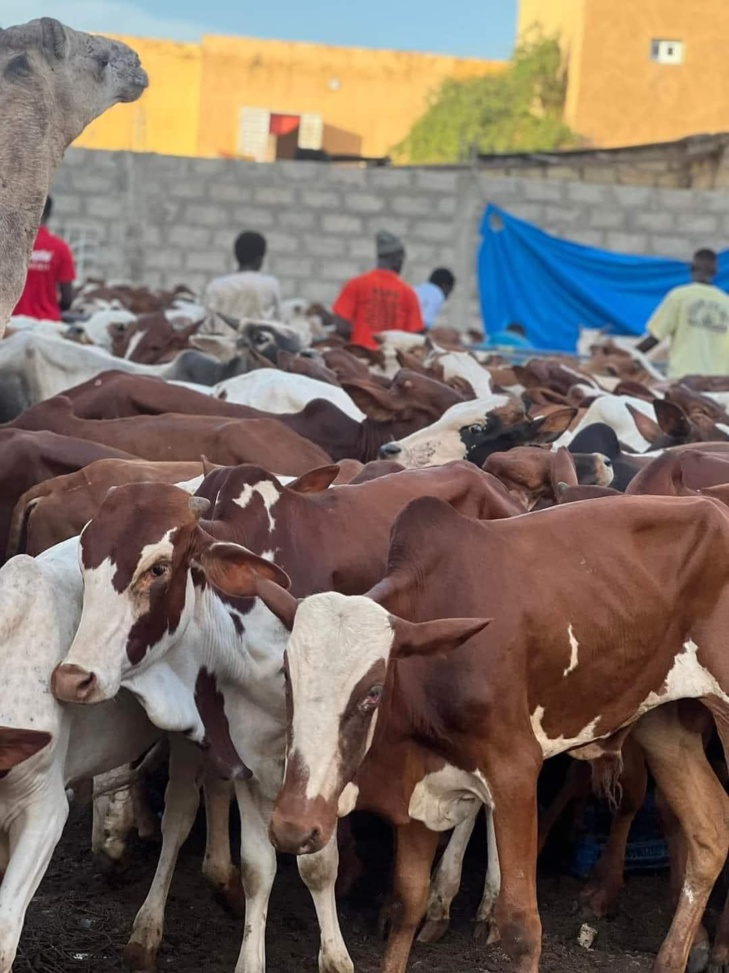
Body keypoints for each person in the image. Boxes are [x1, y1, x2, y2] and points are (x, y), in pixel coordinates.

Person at [636, 248, 729, 378]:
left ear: (692, 268)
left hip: (682, 381)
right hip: (718, 384)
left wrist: (631, 355)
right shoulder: (725, 302)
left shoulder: (679, 296)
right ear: (715, 271)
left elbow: (655, 337)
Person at [332, 230, 424, 349]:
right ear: (398, 259)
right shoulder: (408, 293)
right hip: (392, 362)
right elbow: (415, 336)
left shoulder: (356, 284)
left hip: (359, 359)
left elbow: (341, 326)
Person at [13, 197, 75, 321]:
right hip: (47, 325)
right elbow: (67, 299)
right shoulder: (61, 248)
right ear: (49, 214)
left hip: (10, 325)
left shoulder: (9, 245)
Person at [204, 231, 282, 329]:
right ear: (260, 259)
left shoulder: (216, 285)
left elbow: (207, 325)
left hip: (222, 343)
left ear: (236, 255)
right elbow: (278, 322)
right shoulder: (270, 284)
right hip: (256, 343)